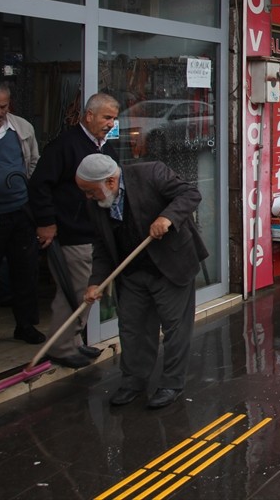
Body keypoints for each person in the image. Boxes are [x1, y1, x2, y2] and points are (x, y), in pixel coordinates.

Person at [77, 154, 207, 409]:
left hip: (171, 265)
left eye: (90, 191)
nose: (88, 197)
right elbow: (102, 245)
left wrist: (167, 217)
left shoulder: (152, 173)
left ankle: (171, 384)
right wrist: (96, 282)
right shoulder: (97, 203)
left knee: (175, 329)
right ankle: (133, 381)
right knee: (133, 328)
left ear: (111, 182)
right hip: (132, 272)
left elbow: (190, 194)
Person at [28, 92, 120, 369]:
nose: (111, 124)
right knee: (75, 291)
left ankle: (74, 342)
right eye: (106, 117)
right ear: (89, 116)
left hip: (95, 232)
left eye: (114, 119)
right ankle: (60, 348)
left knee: (87, 291)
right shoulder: (65, 146)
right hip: (72, 231)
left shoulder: (105, 147)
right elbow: (39, 185)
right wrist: (46, 223)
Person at [0, 82, 45, 347]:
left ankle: (25, 325)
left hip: (20, 211)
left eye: (3, 106)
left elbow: (33, 162)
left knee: (25, 272)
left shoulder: (22, 127)